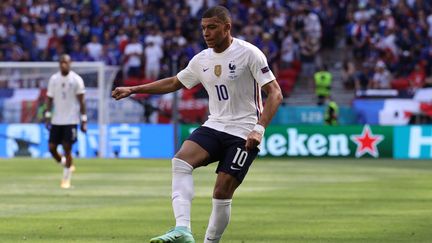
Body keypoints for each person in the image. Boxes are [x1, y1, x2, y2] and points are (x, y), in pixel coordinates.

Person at [112, 6, 282, 243]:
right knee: (181, 161)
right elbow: (174, 82)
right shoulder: (201, 59)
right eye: (203, 28)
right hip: (215, 125)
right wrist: (133, 89)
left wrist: (259, 129)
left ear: (227, 27)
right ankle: (182, 230)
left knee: (221, 192)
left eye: (212, 27)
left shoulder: (249, 53)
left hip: (244, 132)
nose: (206, 33)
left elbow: (275, 94)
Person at [45, 54, 87, 189]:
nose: (63, 65)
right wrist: (47, 115)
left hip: (71, 120)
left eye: (66, 62)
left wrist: (84, 120)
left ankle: (66, 180)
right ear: (59, 64)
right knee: (51, 148)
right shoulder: (54, 79)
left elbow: (82, 101)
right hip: (56, 119)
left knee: (67, 148)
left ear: (70, 63)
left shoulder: (76, 80)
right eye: (61, 62)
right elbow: (49, 99)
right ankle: (65, 163)